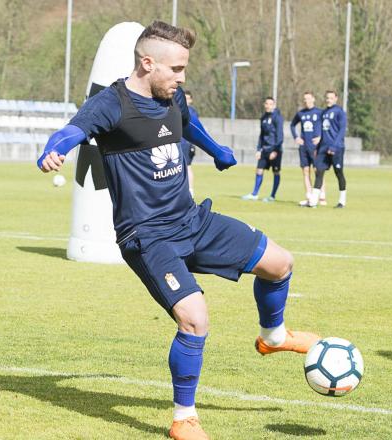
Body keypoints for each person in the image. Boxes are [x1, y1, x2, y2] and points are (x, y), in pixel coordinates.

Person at [37, 21, 319, 440]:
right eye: (176, 68)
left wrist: (216, 150)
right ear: (147, 63)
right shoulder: (111, 104)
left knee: (280, 263)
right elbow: (73, 130)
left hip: (192, 220)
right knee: (194, 319)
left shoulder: (172, 94)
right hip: (148, 237)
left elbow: (188, 122)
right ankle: (184, 419)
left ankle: (273, 336)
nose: (182, 77)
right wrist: (54, 149)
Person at [308, 90, 347, 209]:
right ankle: (313, 201)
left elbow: (341, 130)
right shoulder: (323, 113)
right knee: (319, 171)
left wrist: (334, 146)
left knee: (338, 173)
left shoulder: (340, 112)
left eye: (331, 98)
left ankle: (342, 200)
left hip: (336, 148)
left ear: (336, 99)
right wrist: (318, 143)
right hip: (323, 148)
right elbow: (319, 128)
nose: (328, 100)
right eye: (327, 98)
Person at [241, 97, 284, 202]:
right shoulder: (263, 117)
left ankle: (272, 196)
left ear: (274, 105)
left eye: (270, 104)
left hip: (275, 150)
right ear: (264, 105)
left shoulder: (278, 118)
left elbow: (280, 136)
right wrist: (259, 149)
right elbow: (262, 135)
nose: (268, 106)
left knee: (276, 172)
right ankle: (255, 194)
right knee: (259, 170)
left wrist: (275, 150)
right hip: (264, 150)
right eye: (267, 104)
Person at [290, 91, 327, 206]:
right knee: (306, 171)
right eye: (305, 99)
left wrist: (321, 137)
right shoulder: (301, 113)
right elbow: (292, 125)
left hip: (316, 147)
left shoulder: (320, 112)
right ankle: (309, 195)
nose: (306, 101)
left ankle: (322, 196)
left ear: (313, 99)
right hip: (304, 147)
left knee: (318, 171)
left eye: (308, 98)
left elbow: (326, 126)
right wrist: (296, 137)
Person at [179, 90, 198, 197]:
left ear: (191, 100)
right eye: (184, 98)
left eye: (187, 98)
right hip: (180, 142)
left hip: (186, 143)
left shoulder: (191, 111)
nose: (185, 100)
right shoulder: (181, 109)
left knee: (187, 166)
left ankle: (190, 189)